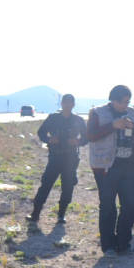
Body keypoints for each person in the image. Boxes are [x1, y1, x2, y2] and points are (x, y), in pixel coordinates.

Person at [87, 85, 134, 255]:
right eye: (122, 102)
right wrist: (113, 126)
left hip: (131, 166)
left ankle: (123, 242)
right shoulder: (97, 112)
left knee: (130, 206)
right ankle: (108, 245)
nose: (125, 105)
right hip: (106, 167)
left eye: (127, 102)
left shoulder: (132, 112)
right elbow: (90, 136)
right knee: (107, 206)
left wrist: (133, 127)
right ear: (113, 100)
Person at [27, 93, 88, 225]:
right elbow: (41, 132)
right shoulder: (53, 118)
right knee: (46, 185)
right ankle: (35, 214)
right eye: (65, 102)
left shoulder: (78, 120)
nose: (67, 105)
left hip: (71, 158)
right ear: (62, 104)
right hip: (55, 157)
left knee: (67, 187)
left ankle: (61, 215)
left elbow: (86, 138)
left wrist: (77, 141)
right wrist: (49, 139)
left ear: (73, 104)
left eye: (70, 103)